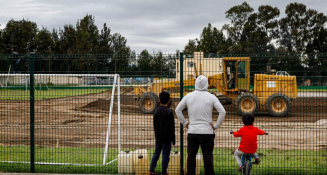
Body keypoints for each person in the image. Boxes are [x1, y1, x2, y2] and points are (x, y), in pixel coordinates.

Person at [175, 75, 226, 175]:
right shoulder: (212, 97)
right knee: (207, 156)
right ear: (207, 84)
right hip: (207, 132)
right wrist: (216, 126)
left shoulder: (188, 96)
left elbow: (177, 110)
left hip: (192, 131)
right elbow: (222, 112)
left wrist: (185, 123)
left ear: (195, 84)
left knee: (191, 155)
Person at [149, 91, 175, 175]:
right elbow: (172, 127)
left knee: (156, 153)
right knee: (165, 155)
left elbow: (155, 125)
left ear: (159, 100)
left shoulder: (156, 111)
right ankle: (164, 172)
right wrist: (173, 139)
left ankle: (151, 171)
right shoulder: (169, 112)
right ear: (169, 101)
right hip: (167, 138)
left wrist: (156, 135)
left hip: (158, 137)